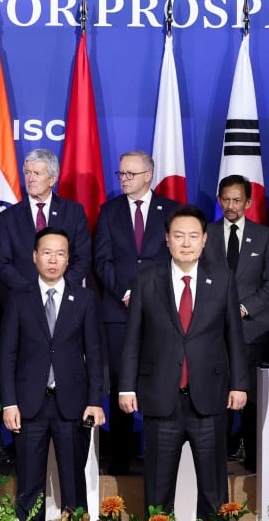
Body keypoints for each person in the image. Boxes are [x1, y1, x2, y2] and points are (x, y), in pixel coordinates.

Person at [119, 205, 247, 519]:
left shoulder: (222, 279)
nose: (186, 243)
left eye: (193, 236)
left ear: (205, 239)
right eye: (179, 236)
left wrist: (239, 384)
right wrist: (126, 387)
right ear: (167, 240)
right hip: (161, 397)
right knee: (158, 492)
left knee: (213, 490)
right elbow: (133, 337)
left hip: (210, 397)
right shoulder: (147, 279)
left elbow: (234, 336)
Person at [0, 227, 104, 520]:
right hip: (29, 405)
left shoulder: (83, 299)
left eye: (60, 254)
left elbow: (95, 355)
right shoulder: (19, 298)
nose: (53, 260)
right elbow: (8, 355)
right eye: (47, 253)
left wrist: (95, 400)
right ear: (35, 257)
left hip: (72, 406)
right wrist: (9, 403)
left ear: (68, 259)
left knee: (74, 484)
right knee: (29, 486)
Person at [93, 150, 179, 474]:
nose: (124, 179)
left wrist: (149, 296)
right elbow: (102, 260)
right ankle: (121, 457)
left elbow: (176, 259)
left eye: (130, 174)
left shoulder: (170, 211)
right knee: (120, 383)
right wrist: (127, 292)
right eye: (121, 174)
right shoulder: (109, 211)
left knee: (159, 380)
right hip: (118, 310)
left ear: (148, 175)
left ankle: (157, 453)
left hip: (160, 312)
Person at [204, 174, 269, 472]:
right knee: (216, 397)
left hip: (253, 332)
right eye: (225, 199)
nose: (231, 205)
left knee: (250, 400)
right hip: (213, 333)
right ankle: (214, 460)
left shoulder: (265, 236)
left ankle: (254, 460)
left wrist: (244, 309)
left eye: (237, 200)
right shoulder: (206, 233)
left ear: (248, 202)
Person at [0, 149, 91, 301]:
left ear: (52, 180)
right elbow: (1, 263)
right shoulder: (8, 217)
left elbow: (82, 257)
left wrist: (61, 287)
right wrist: (29, 290)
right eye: (27, 172)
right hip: (22, 299)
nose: (30, 178)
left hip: (64, 298)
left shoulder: (73, 212)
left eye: (37, 173)